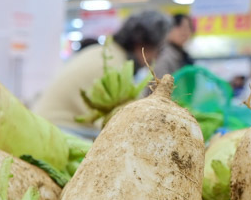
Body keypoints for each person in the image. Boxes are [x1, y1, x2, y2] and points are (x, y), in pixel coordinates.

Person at [32, 10, 172, 128]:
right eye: (157, 49)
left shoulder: (101, 52)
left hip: (45, 125)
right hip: (60, 130)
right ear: (142, 44)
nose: (155, 58)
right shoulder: (114, 66)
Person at [152, 13, 195, 79]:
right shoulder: (163, 55)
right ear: (169, 28)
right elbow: (160, 86)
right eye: (179, 26)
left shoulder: (182, 55)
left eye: (188, 28)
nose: (184, 32)